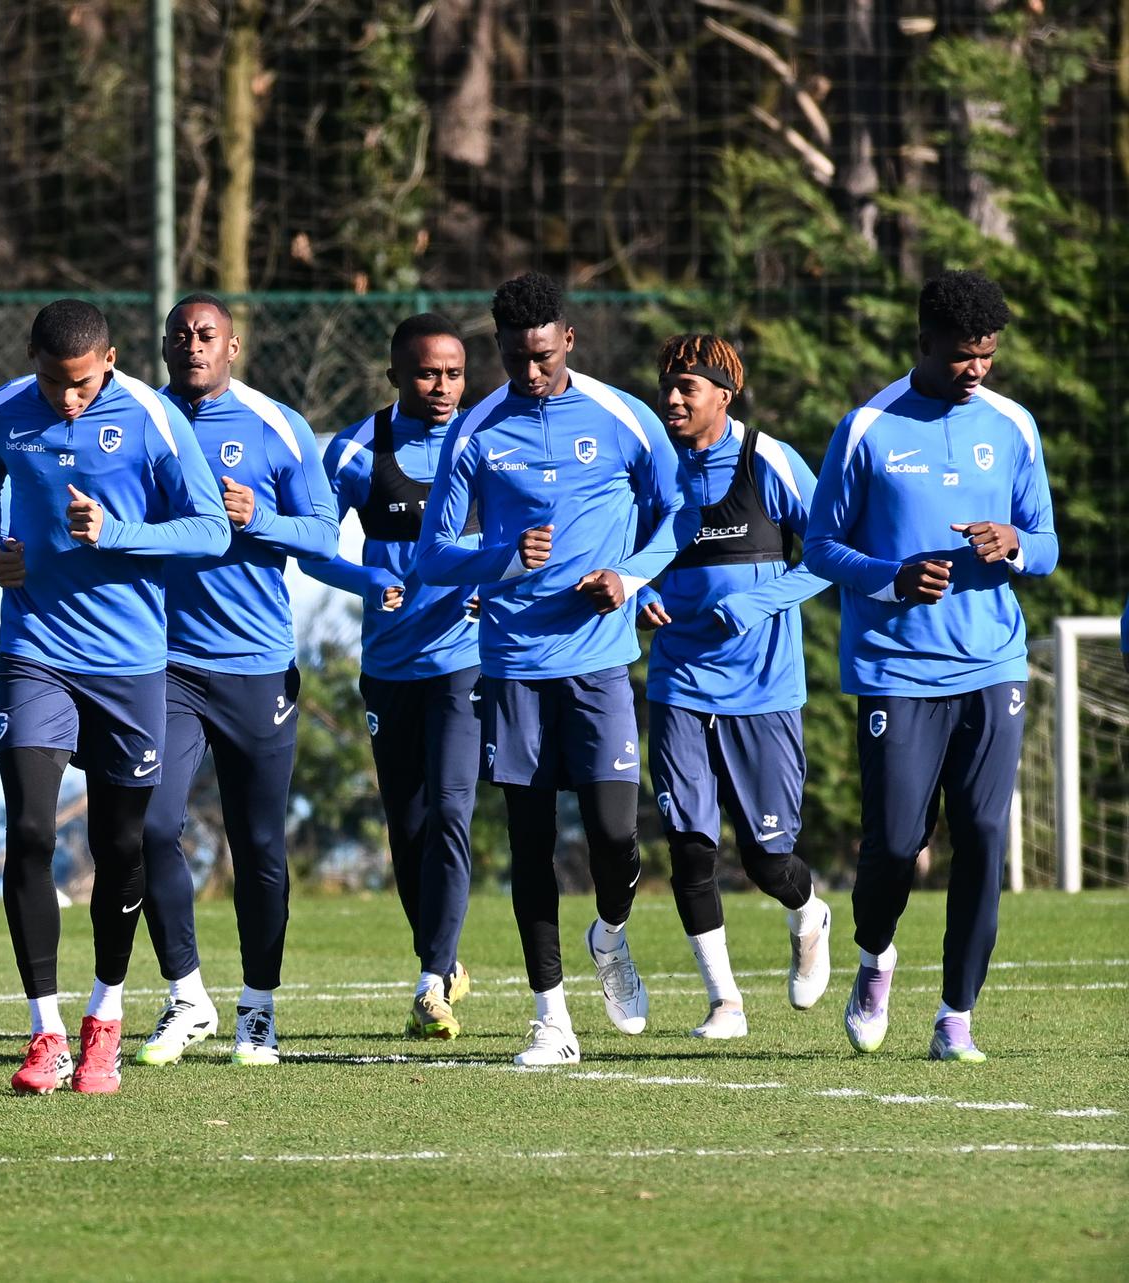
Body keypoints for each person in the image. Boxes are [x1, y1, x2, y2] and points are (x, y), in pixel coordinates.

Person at [0, 299, 228, 1095]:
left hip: (131, 664)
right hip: (35, 652)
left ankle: (103, 1016)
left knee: (121, 848)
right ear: (31, 360)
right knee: (33, 830)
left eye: (80, 384)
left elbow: (209, 529)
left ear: (109, 360)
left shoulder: (150, 416)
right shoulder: (4, 411)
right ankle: (44, 1032)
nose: (66, 399)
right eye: (52, 381)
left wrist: (119, 533)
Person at [417, 272, 680, 1067]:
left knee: (614, 837)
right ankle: (550, 1019)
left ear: (568, 338)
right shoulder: (476, 431)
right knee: (529, 845)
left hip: (600, 664)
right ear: (497, 348)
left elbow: (678, 516)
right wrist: (501, 554)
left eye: (543, 355)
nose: (531, 372)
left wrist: (631, 578)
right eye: (515, 357)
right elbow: (432, 555)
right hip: (514, 665)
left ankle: (609, 933)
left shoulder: (624, 417)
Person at [803, 270, 1057, 1063]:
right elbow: (820, 547)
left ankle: (956, 1016)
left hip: (993, 663)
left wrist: (1014, 546)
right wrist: (892, 574)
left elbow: (1045, 543)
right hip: (896, 670)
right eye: (961, 356)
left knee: (983, 833)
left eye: (987, 355)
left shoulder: (1013, 424)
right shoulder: (868, 427)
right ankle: (875, 958)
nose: (976, 370)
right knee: (898, 841)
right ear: (924, 343)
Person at [131, 294, 338, 1068]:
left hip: (255, 665)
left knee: (259, 846)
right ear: (161, 345)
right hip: (164, 662)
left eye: (206, 335)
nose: (193, 345)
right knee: (149, 827)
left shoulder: (274, 424)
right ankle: (187, 994)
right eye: (180, 335)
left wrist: (260, 517)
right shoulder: (140, 421)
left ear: (234, 345)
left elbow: (322, 531)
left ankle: (259, 1007)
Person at [634, 334, 833, 1039]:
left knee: (768, 859)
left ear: (725, 393)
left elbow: (833, 553)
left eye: (688, 386)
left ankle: (809, 913)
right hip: (679, 681)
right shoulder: (654, 469)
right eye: (667, 386)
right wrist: (636, 596)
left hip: (763, 690)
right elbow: (621, 557)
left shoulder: (769, 459)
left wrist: (759, 600)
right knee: (688, 844)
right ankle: (726, 1002)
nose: (673, 399)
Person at [302, 313, 482, 1040]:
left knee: (450, 810)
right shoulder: (354, 449)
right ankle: (443, 957)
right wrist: (366, 574)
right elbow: (311, 546)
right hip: (389, 664)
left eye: (454, 373)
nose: (442, 387)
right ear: (396, 376)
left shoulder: (487, 441)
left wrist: (489, 581)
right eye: (426, 373)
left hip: (463, 657)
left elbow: (529, 531)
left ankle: (430, 982)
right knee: (408, 827)